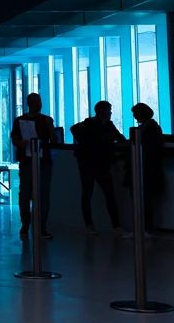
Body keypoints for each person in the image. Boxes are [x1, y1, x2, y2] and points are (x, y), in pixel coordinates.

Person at [69, 101, 128, 236]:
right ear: (102, 112)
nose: (110, 113)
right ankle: (107, 225)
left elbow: (118, 137)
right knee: (99, 194)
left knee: (99, 194)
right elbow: (118, 138)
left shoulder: (104, 125)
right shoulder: (93, 124)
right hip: (92, 163)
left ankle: (99, 224)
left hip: (96, 163)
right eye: (109, 110)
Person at [11, 93, 57, 241]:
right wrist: (21, 143)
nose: (38, 104)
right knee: (25, 194)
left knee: (43, 195)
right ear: (28, 103)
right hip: (26, 162)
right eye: (34, 101)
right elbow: (14, 139)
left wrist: (50, 127)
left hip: (43, 162)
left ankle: (42, 226)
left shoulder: (46, 120)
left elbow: (54, 141)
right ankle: (25, 223)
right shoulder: (20, 121)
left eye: (39, 101)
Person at [123, 103, 164, 238]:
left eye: (136, 114)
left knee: (145, 200)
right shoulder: (143, 129)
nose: (134, 117)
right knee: (141, 200)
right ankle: (141, 227)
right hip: (142, 169)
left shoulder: (152, 129)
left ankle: (146, 228)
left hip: (147, 170)